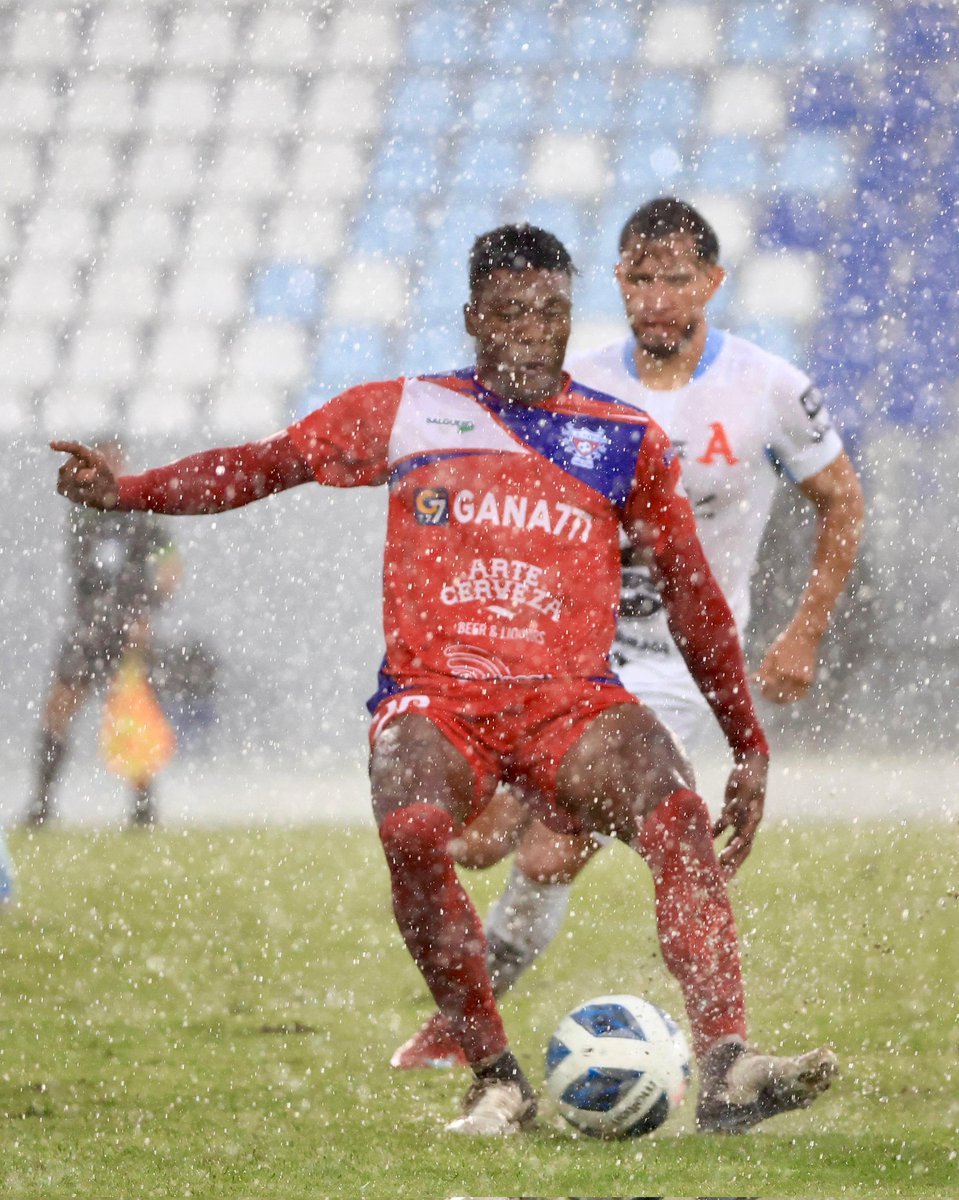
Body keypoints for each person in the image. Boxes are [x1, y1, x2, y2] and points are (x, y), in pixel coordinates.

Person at [49, 224, 837, 1136]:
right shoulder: (404, 409)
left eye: (549, 313)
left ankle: (730, 1065)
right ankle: (495, 1077)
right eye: (510, 313)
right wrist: (134, 489)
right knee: (416, 829)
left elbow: (694, 599)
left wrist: (745, 741)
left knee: (672, 813)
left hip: (570, 701)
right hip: (436, 698)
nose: (532, 331)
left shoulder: (624, 438)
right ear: (472, 319)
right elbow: (266, 465)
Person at [393, 199, 866, 1077]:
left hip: (672, 668)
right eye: (639, 277)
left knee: (546, 846)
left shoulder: (767, 387)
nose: (655, 296)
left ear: (712, 284)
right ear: (616, 282)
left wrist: (804, 629)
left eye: (675, 277)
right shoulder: (575, 380)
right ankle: (464, 1015)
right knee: (484, 838)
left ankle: (460, 1035)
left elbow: (840, 499)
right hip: (562, 652)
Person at [26, 437, 181, 828]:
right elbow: (86, 572)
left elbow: (169, 564)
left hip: (126, 629)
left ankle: (143, 806)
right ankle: (42, 803)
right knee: (58, 709)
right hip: (89, 628)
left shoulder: (142, 510)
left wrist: (145, 612)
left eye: (114, 458)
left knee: (130, 713)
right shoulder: (83, 512)